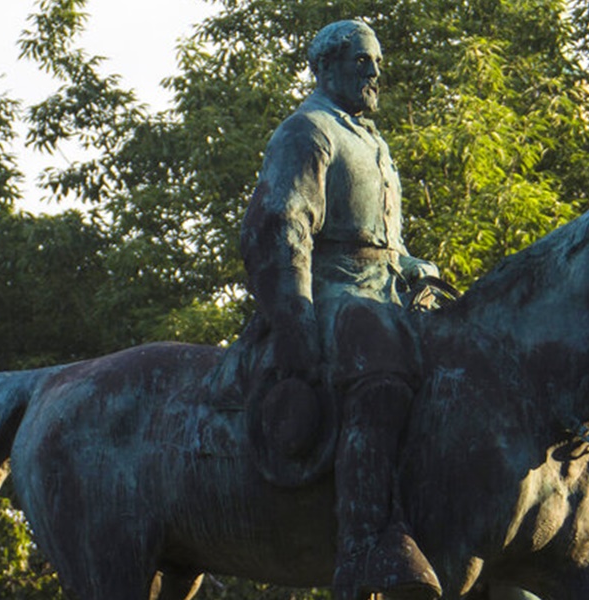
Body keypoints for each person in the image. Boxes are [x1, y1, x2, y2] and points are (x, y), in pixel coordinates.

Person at [240, 19, 442, 600]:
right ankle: (363, 544)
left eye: (376, 62)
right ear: (326, 66)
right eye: (362, 61)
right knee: (381, 371)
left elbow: (387, 241)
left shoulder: (372, 141)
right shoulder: (307, 131)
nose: (374, 72)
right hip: (329, 291)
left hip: (382, 288)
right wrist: (295, 318)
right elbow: (284, 226)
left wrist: (412, 266)